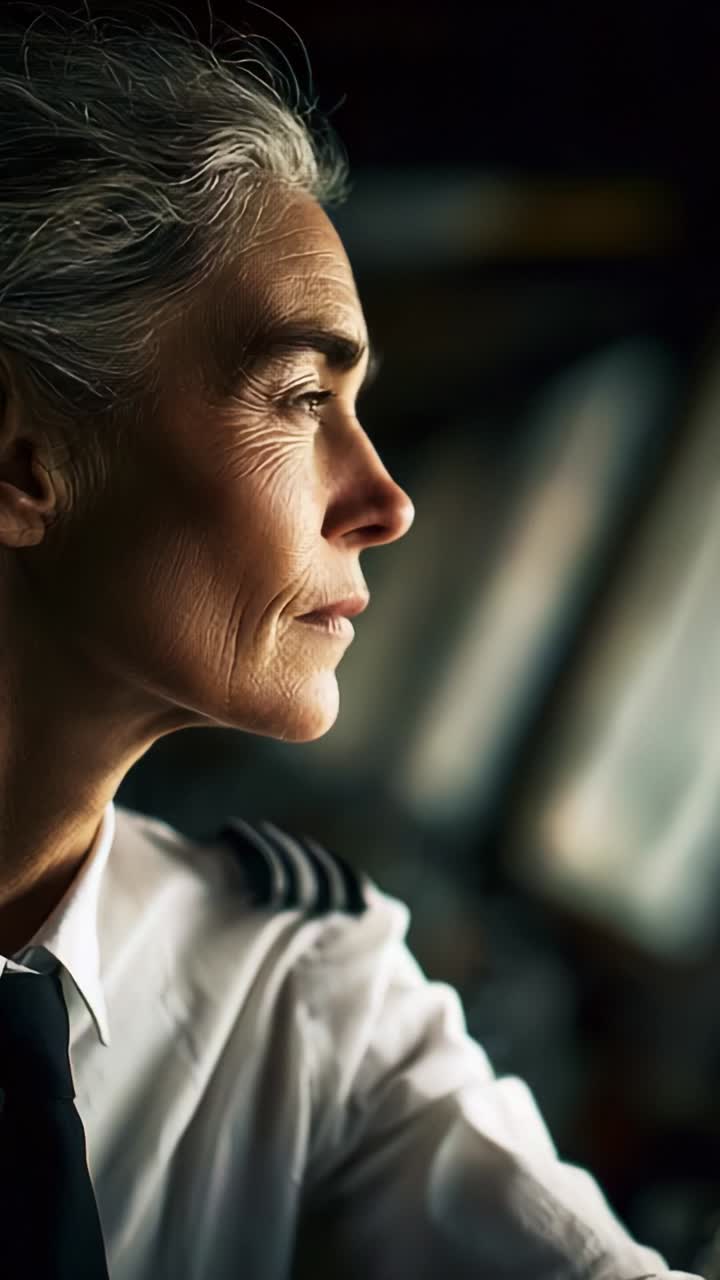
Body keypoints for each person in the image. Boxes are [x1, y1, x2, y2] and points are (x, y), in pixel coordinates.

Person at [0, 8, 705, 1279]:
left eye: (364, 408)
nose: (387, 499)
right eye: (303, 397)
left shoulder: (303, 994)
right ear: (21, 455)